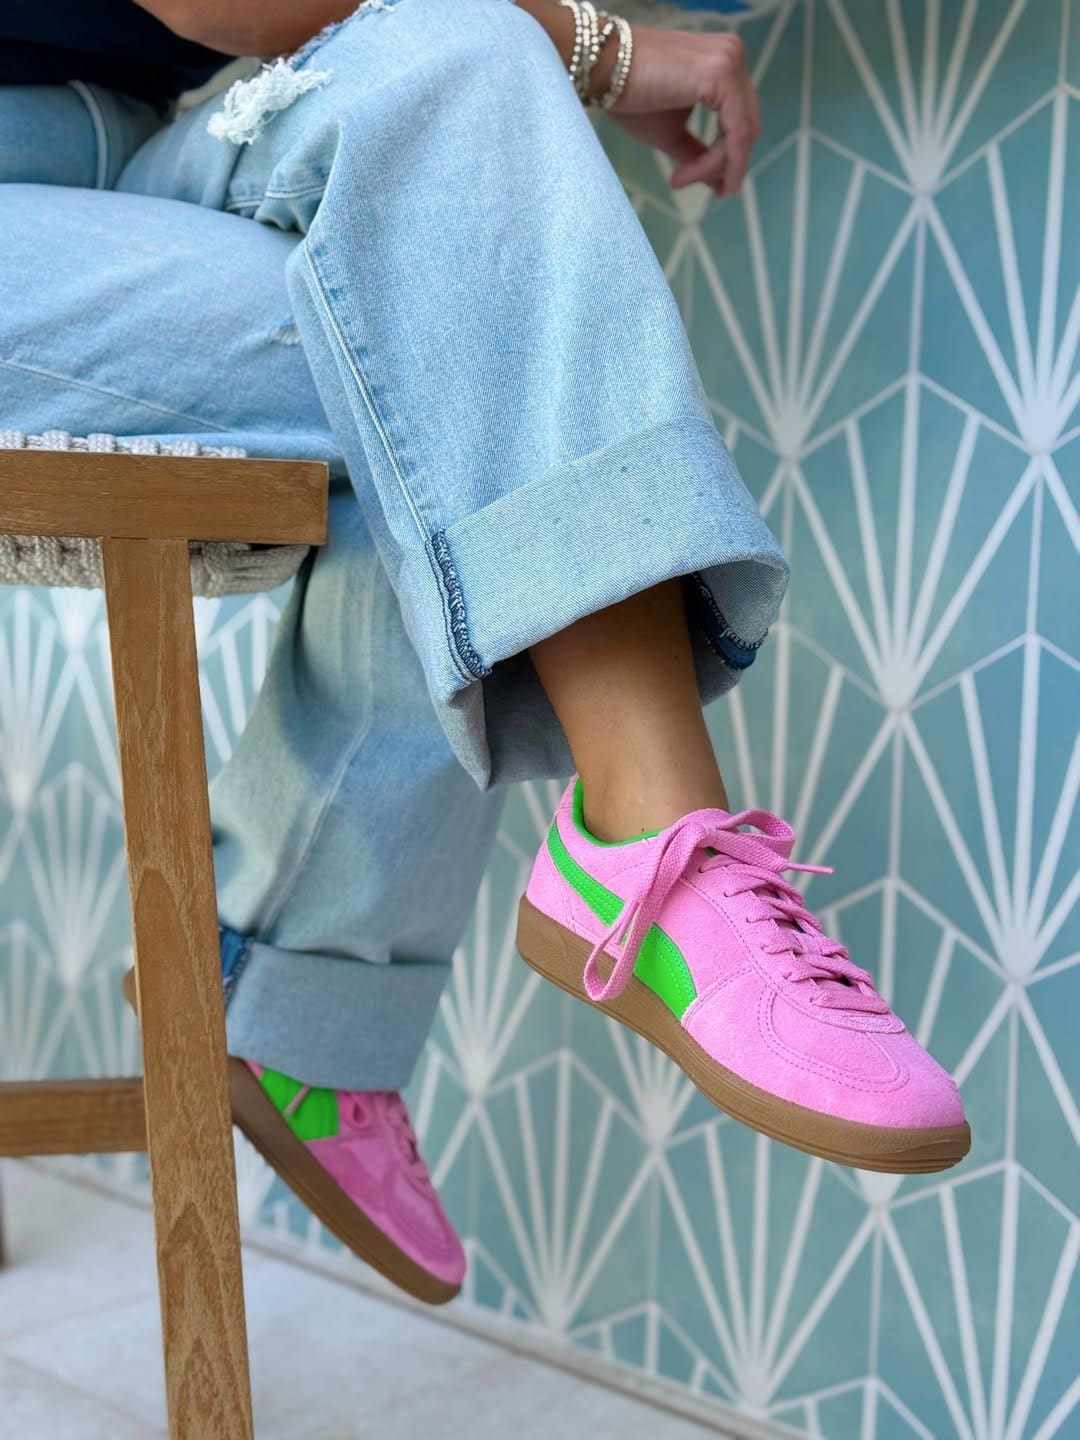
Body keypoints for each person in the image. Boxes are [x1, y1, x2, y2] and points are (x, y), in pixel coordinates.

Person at [0, 0, 969, 1308]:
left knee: (453, 92)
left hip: (124, 158)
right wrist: (599, 45)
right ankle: (618, 868)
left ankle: (313, 996)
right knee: (427, 308)